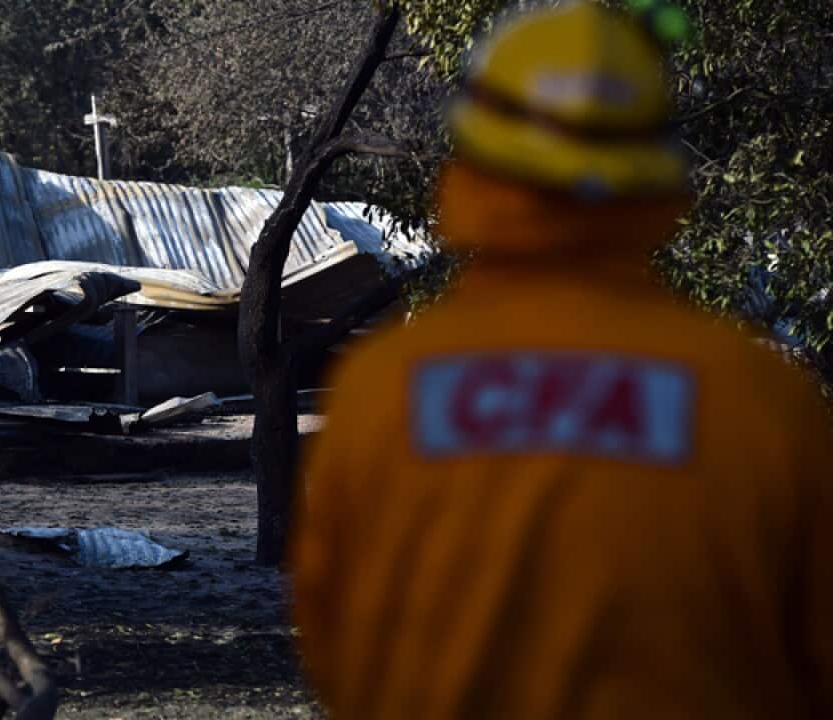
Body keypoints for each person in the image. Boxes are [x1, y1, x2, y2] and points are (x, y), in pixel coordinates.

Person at [289, 2, 833, 718]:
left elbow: (334, 646)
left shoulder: (380, 392)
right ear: (656, 172)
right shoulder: (762, 401)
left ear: (474, 161)